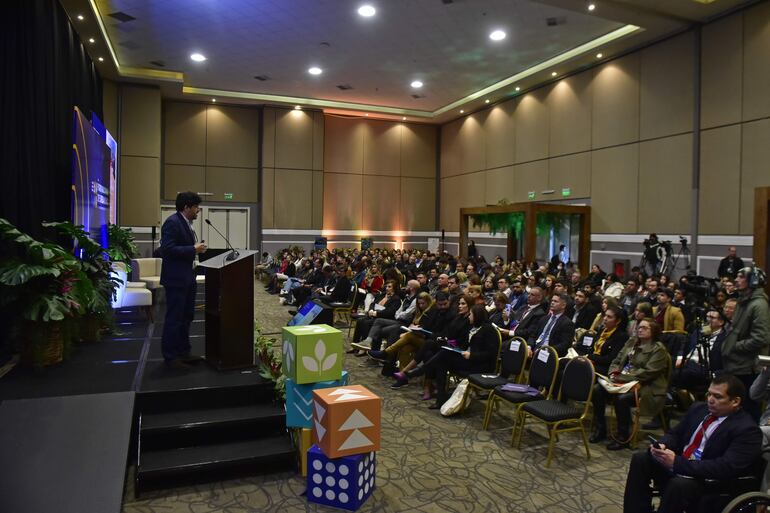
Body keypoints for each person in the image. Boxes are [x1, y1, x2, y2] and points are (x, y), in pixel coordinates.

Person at [623, 374, 762, 513]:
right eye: (709, 394)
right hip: (683, 464)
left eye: (718, 397)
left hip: (709, 479)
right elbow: (675, 434)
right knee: (641, 459)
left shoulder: (747, 429)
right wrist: (662, 445)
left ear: (735, 401)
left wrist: (677, 463)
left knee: (679, 485)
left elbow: (725, 467)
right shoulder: (699, 409)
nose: (710, 400)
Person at [395, 304, 498, 410]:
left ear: (477, 316)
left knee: (443, 356)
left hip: (479, 364)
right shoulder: (473, 327)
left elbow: (490, 354)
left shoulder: (489, 330)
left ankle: (421, 371)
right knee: (442, 359)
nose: (469, 317)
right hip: (467, 358)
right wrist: (451, 344)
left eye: (471, 315)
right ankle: (440, 398)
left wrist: (472, 355)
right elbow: (464, 344)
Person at [590, 318, 669, 449]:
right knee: (597, 390)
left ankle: (623, 436)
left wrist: (621, 378)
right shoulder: (631, 342)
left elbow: (648, 373)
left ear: (654, 331)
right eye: (639, 327)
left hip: (647, 387)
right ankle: (600, 428)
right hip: (622, 381)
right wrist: (612, 374)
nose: (640, 330)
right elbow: (617, 360)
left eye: (644, 328)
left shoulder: (658, 349)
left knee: (623, 399)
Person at [160, 191, 207, 369]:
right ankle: (171, 357)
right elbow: (167, 249)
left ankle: (183, 352)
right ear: (186, 207)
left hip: (187, 277)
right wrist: (193, 249)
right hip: (176, 279)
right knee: (175, 318)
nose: (198, 211)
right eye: (196, 207)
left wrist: (194, 250)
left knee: (187, 316)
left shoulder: (185, 223)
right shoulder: (172, 223)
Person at [720, 265, 770, 421]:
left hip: (748, 368)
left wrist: (734, 346)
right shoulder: (743, 301)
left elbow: (761, 338)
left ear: (753, 281)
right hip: (736, 364)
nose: (736, 279)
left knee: (747, 410)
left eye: (741, 277)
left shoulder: (758, 305)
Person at [527, 293, 575, 357]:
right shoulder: (544, 318)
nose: (552, 303)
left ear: (563, 305)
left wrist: (545, 350)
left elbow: (564, 345)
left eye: (555, 301)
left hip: (549, 353)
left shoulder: (567, 323)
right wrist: (529, 347)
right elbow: (533, 335)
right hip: (534, 349)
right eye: (552, 300)